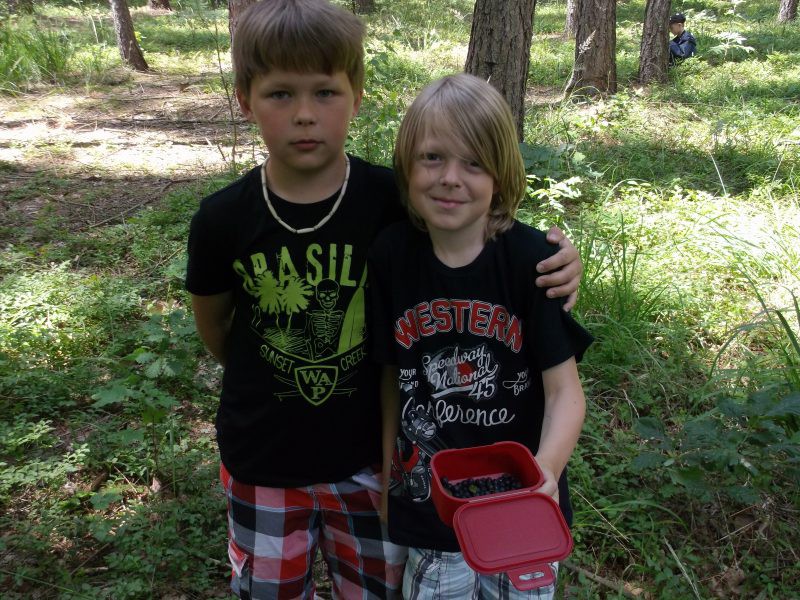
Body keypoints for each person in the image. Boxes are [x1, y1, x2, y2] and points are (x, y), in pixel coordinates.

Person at [185, 1, 583, 597]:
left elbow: (472, 232)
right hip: (262, 456)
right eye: (280, 94)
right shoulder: (221, 220)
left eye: (325, 92)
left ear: (356, 97)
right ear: (245, 100)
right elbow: (217, 329)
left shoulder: (392, 203)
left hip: (368, 465)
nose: (304, 115)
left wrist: (561, 258)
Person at [368, 73, 593, 600]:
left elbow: (565, 393)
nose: (450, 178)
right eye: (432, 158)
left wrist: (545, 473)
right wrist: (387, 476)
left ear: (500, 174)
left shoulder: (533, 262)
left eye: (473, 163)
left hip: (521, 503)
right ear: (406, 164)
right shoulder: (391, 256)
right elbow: (391, 380)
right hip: (432, 505)